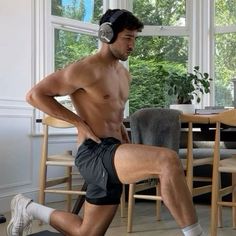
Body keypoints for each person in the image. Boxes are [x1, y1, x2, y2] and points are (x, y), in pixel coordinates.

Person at [7, 9, 205, 236]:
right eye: (127, 38)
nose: (132, 45)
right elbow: (35, 95)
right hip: (94, 151)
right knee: (167, 159)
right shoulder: (84, 69)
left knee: (86, 232)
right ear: (106, 34)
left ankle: (28, 207)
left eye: (134, 39)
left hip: (113, 150)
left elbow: (112, 111)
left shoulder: (123, 74)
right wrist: (79, 123)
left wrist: (124, 135)